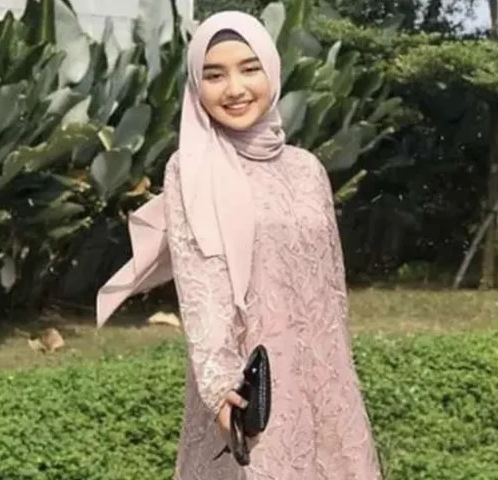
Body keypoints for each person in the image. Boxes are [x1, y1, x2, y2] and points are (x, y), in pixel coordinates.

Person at [96, 10, 383, 480]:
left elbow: (331, 287)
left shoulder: (307, 169)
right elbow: (201, 287)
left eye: (249, 69)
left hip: (323, 375)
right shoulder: (193, 170)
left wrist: (338, 376)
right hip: (250, 381)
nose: (234, 89)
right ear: (196, 85)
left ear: (271, 69)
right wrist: (220, 387)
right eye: (214, 75)